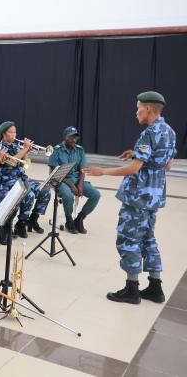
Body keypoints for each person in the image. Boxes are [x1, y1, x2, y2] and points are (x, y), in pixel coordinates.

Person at [84, 91, 176, 304]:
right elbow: (168, 164)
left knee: (128, 238)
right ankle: (155, 287)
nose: (136, 112)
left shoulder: (148, 133)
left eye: (138, 108)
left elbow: (134, 170)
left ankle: (132, 289)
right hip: (154, 196)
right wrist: (137, 154)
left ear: (148, 109)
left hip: (138, 197)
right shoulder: (169, 131)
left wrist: (103, 172)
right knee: (148, 237)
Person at [0, 121, 51, 238]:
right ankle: (21, 223)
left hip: (21, 177)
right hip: (7, 180)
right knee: (29, 195)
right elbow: (11, 162)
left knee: (45, 190)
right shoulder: (0, 147)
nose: (14, 134)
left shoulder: (16, 145)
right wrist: (25, 149)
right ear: (3, 134)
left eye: (15, 132)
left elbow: (24, 163)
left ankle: (32, 219)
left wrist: (27, 151)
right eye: (11, 132)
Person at [48, 127, 101, 234]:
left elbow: (82, 170)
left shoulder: (79, 150)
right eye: (71, 137)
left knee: (96, 194)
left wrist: (80, 185)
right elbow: (55, 173)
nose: (73, 139)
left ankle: (79, 219)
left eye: (75, 137)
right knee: (68, 195)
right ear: (65, 137)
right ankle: (69, 220)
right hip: (61, 180)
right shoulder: (56, 150)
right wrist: (72, 185)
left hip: (76, 179)